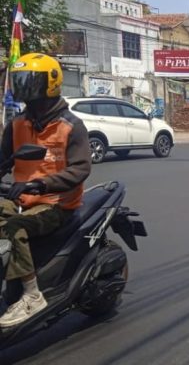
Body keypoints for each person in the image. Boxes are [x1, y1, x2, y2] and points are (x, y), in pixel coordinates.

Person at [0, 53, 91, 328]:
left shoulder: (70, 126)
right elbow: (3, 160)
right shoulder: (16, 124)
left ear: (50, 83)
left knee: (15, 227)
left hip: (56, 203)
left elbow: (80, 170)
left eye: (30, 80)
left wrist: (40, 183)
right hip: (21, 198)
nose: (24, 86)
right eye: (20, 80)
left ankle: (31, 294)